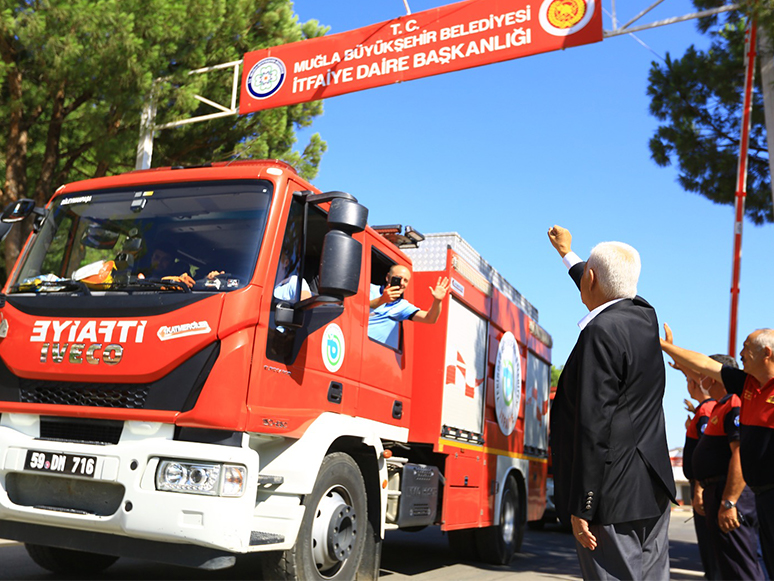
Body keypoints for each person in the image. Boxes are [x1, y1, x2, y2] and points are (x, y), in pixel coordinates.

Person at [547, 225, 676, 580]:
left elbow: (593, 424)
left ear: (591, 278)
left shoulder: (600, 332)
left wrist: (584, 504)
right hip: (651, 488)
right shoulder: (644, 316)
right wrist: (567, 255)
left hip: (610, 494)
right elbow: (611, 290)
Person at [660, 327, 774, 575]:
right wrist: (667, 347)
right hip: (762, 496)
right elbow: (704, 364)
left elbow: (737, 452)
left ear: (766, 352)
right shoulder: (748, 384)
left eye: (746, 346)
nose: (740, 353)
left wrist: (730, 500)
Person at [676, 362, 720, 580]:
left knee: (710, 546)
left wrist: (699, 488)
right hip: (706, 484)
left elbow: (705, 451)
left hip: (705, 485)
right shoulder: (704, 409)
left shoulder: (706, 409)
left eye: (688, 380)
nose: (688, 385)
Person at [368, 264, 449, 349]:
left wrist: (437, 300)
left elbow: (430, 319)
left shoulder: (402, 306)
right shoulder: (369, 289)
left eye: (406, 280)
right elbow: (356, 306)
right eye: (398, 278)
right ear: (388, 277)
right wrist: (382, 300)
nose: (402, 283)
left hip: (379, 356)